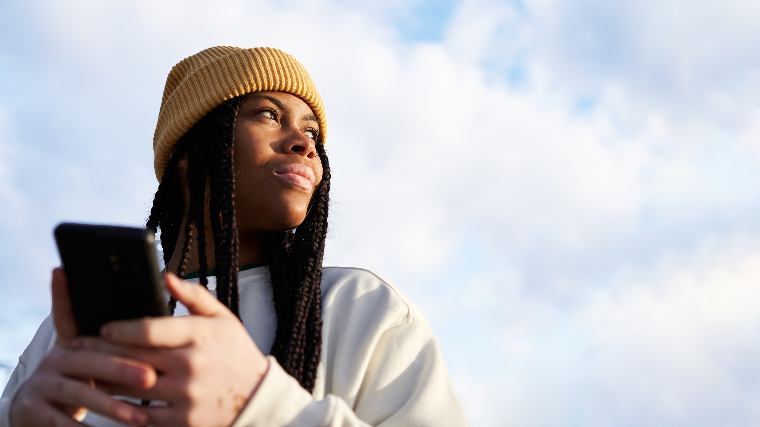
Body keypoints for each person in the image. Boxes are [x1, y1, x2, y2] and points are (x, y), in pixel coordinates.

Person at [0, 46, 468, 426]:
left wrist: (261, 405)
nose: (305, 143)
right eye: (267, 115)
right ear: (192, 151)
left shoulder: (362, 309)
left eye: (311, 132)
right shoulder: (69, 334)